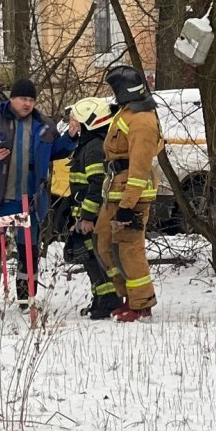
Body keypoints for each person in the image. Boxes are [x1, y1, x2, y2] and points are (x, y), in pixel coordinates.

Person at [0, 77, 72, 302]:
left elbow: (56, 151)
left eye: (31, 100)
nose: (27, 104)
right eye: (23, 99)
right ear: (12, 98)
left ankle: (27, 300)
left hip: (29, 201)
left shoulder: (44, 125)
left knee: (29, 252)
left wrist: (71, 137)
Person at [96, 64, 163, 321]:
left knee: (129, 249)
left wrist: (128, 204)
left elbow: (139, 166)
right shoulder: (127, 113)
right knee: (104, 243)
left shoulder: (142, 120)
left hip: (131, 195)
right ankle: (126, 296)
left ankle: (141, 304)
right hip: (116, 191)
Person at [66, 97, 119, 320]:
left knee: (96, 258)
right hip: (86, 214)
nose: (71, 123)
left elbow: (97, 185)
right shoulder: (90, 143)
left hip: (93, 216)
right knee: (90, 257)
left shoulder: (94, 147)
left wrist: (87, 217)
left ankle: (108, 301)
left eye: (75, 120)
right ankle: (100, 299)